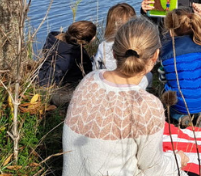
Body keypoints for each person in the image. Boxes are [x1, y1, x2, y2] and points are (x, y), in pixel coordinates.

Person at [63, 17, 190, 175]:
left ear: (114, 53)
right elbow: (154, 171)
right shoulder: (148, 106)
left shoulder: (89, 80)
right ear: (155, 56)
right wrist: (177, 159)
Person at [158, 9, 201, 125]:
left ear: (171, 31)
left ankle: (180, 116)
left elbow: (163, 79)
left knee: (166, 89)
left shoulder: (166, 51)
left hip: (180, 103)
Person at [37, 20, 95, 87]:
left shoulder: (54, 42)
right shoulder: (67, 57)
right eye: (93, 36)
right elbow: (45, 81)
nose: (94, 37)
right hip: (67, 84)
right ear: (84, 41)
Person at [93, 3, 136, 72]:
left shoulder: (103, 46)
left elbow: (96, 68)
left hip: (108, 78)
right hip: (134, 78)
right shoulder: (138, 42)